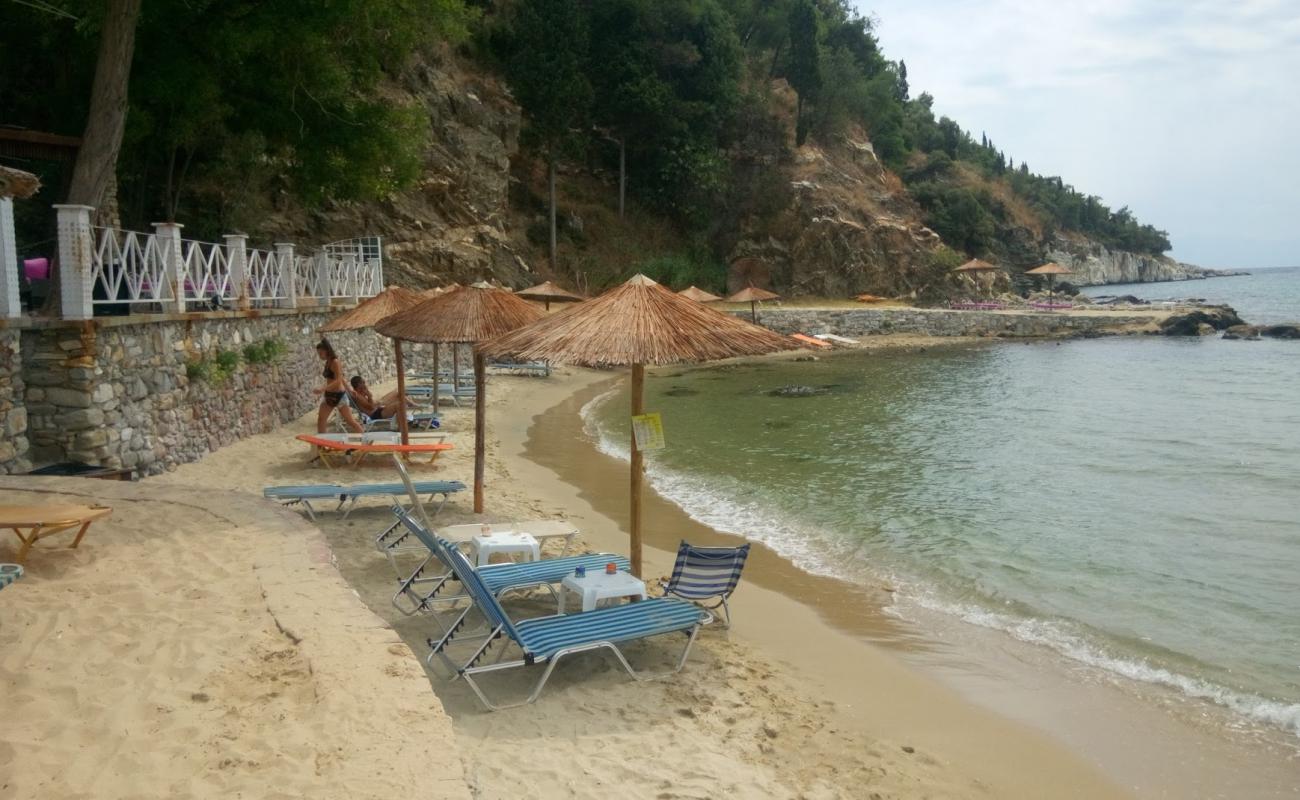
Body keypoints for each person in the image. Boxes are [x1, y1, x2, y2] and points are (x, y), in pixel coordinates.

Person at [313, 338, 361, 433]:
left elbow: (339, 380)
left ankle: (366, 440)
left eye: (320, 353)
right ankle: (322, 444)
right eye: (318, 354)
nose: (319, 356)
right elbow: (340, 378)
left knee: (350, 421)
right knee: (321, 420)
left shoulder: (335, 362)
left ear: (326, 351)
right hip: (329, 396)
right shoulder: (328, 362)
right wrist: (350, 389)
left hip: (339, 396)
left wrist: (322, 389)